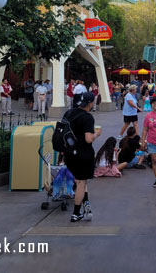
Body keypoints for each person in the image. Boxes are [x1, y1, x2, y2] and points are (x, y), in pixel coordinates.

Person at [63, 92, 102, 222]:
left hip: (69, 153)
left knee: (79, 180)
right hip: (83, 154)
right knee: (81, 182)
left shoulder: (68, 113)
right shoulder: (88, 118)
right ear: (90, 103)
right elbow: (88, 139)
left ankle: (85, 201)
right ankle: (76, 213)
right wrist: (97, 134)